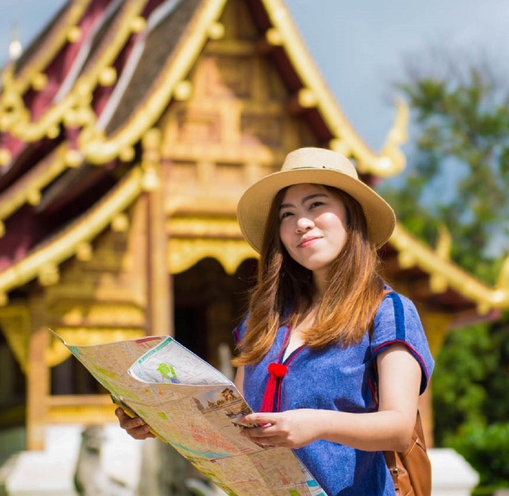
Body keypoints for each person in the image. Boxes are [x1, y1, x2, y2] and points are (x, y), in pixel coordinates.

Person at [117, 147, 434, 495]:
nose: (301, 222)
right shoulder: (265, 319)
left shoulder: (387, 311)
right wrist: (159, 419)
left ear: (350, 217)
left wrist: (316, 425)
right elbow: (235, 424)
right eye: (287, 214)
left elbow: (399, 426)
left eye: (316, 205)